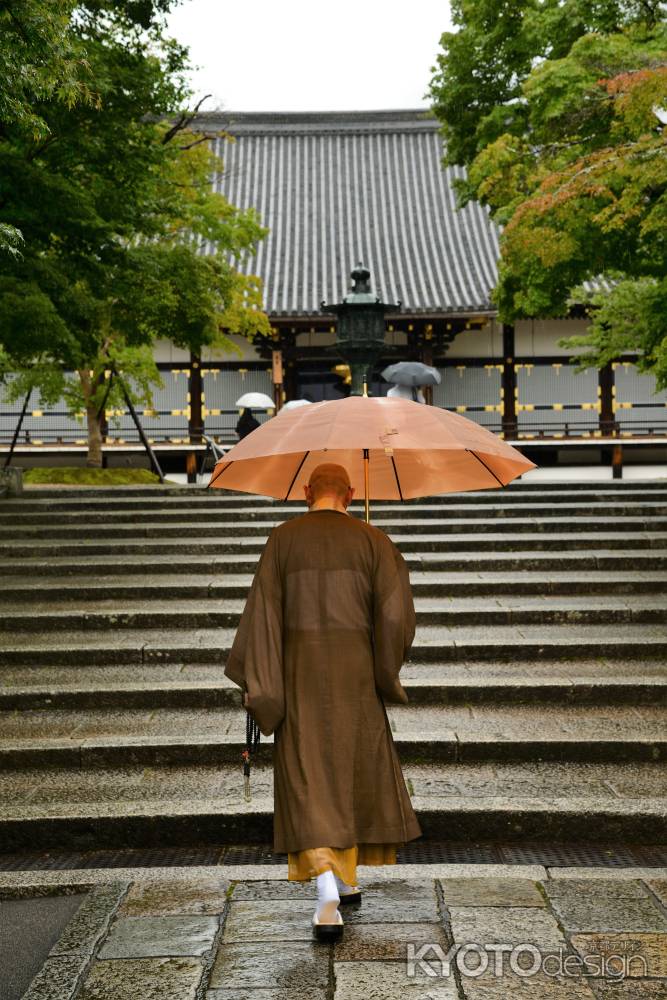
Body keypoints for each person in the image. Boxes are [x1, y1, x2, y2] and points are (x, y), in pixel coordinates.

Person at [224, 462, 422, 940]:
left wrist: (264, 684)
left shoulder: (282, 540)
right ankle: (339, 880)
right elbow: (397, 619)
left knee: (309, 772)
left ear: (307, 492)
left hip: (298, 673)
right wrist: (384, 669)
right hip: (355, 673)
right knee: (351, 766)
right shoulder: (374, 541)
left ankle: (331, 888)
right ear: (351, 494)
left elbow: (263, 616)